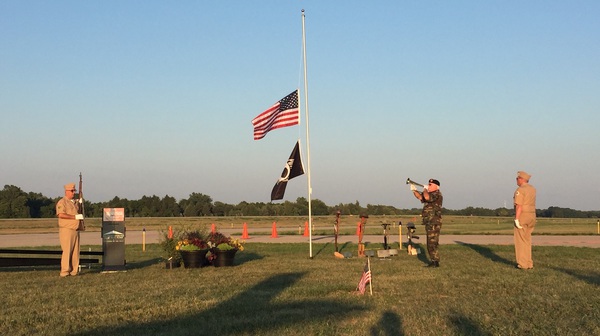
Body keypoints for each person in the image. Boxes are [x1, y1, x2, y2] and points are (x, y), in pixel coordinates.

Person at [410, 179, 443, 267]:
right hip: (429, 221)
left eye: (430, 185)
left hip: (434, 221)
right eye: (428, 184)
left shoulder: (437, 194)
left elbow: (427, 197)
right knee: (430, 242)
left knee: (432, 242)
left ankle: (435, 261)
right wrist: (414, 190)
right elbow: (420, 197)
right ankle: (434, 261)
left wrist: (425, 189)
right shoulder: (430, 193)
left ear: (436, 186)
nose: (429, 186)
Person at [55, 183, 84, 277]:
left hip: (75, 229)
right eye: (71, 191)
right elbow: (61, 214)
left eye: (74, 191)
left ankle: (74, 271)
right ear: (66, 191)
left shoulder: (74, 202)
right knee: (67, 251)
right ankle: (65, 271)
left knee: (76, 251)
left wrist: (80, 202)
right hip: (67, 229)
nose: (73, 193)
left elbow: (80, 209)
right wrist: (75, 217)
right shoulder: (62, 202)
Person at [513, 171, 536, 270]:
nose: (516, 180)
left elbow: (519, 205)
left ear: (522, 179)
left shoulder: (520, 190)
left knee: (520, 240)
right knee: (527, 240)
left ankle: (522, 263)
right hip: (532, 215)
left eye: (517, 178)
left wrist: (517, 219)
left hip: (523, 215)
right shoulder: (533, 189)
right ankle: (529, 262)